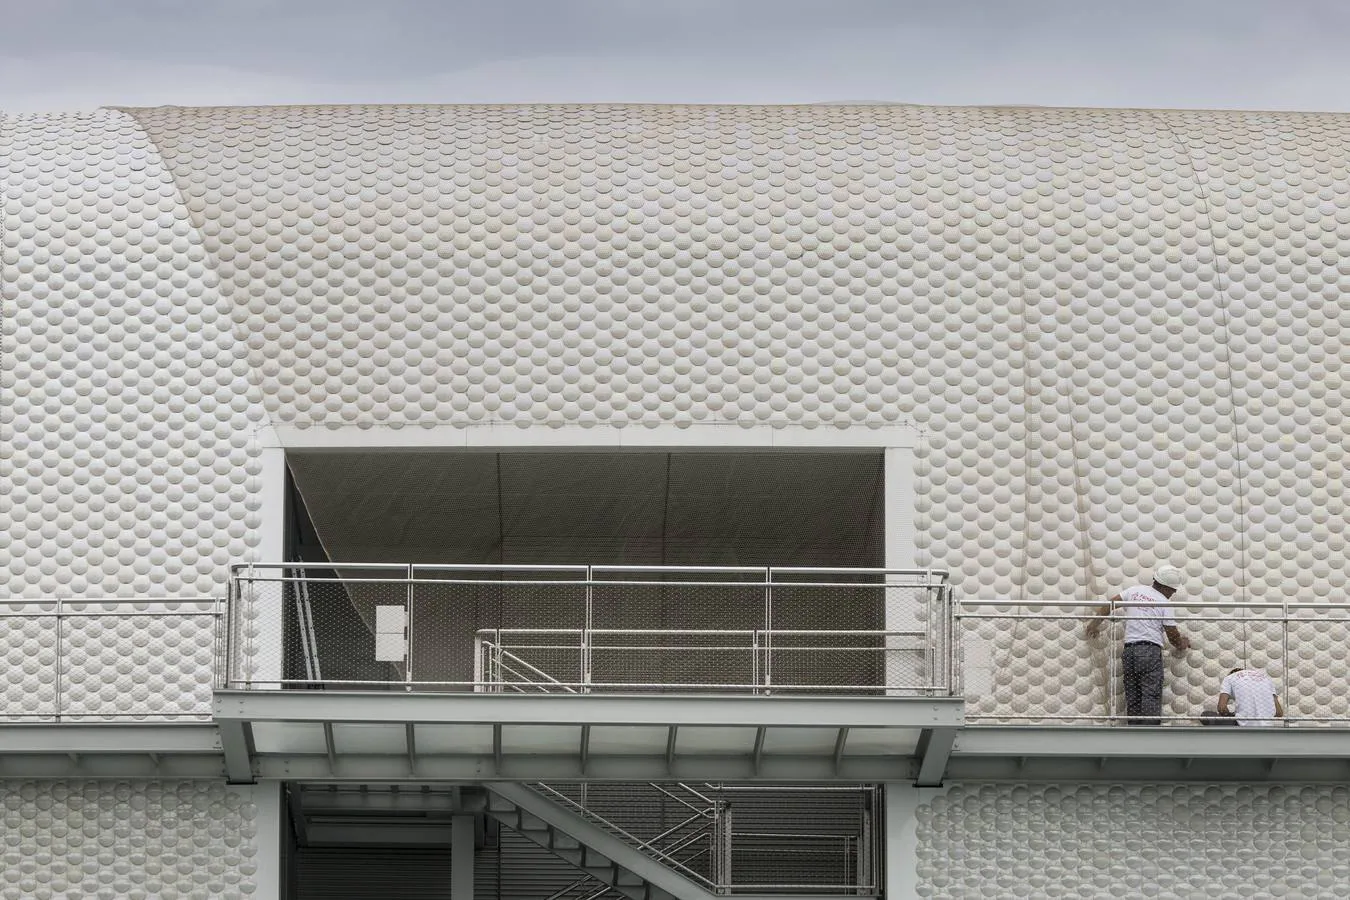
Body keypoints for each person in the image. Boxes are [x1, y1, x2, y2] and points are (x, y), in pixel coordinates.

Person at [1085, 565, 1192, 725]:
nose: (1173, 593)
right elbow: (1172, 635)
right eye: (1172, 589)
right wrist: (1182, 643)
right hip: (1149, 651)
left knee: (1133, 693)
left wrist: (1094, 624)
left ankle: (1134, 731)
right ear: (1164, 586)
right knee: (1151, 692)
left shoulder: (1134, 591)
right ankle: (1150, 735)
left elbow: (1109, 605)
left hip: (1129, 652)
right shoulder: (1164, 602)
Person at [1200, 666, 1284, 727]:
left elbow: (1221, 708)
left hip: (1243, 725)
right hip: (1267, 725)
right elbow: (1279, 713)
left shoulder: (1229, 678)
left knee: (1205, 715)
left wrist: (1229, 714)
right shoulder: (1266, 679)